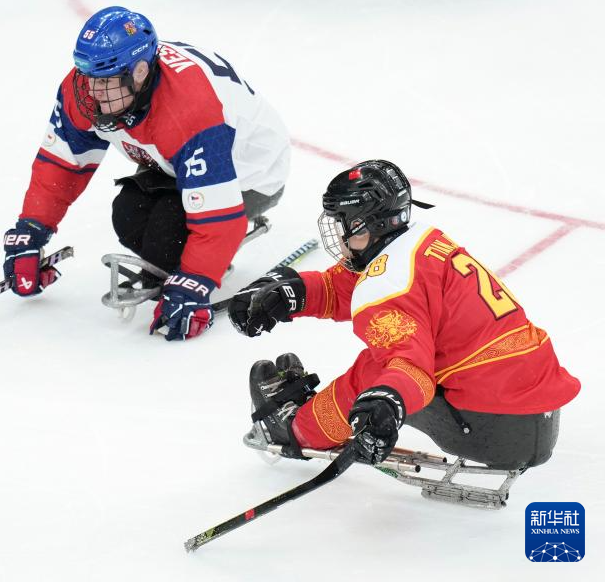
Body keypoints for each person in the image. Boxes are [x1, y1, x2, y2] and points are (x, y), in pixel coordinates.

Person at [228, 160, 580, 469]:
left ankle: (298, 429)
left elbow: (412, 369)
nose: (339, 236)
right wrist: (291, 293)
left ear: (364, 226)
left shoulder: (390, 282)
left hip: (492, 425)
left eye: (342, 225)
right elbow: (351, 284)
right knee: (400, 361)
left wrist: (384, 404)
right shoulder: (420, 244)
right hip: (534, 406)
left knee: (378, 369)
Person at [2, 6, 290, 342]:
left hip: (251, 171)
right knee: (128, 214)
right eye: (88, 77)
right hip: (173, 158)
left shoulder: (190, 109)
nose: (92, 92)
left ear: (139, 72)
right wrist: (32, 229)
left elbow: (218, 217)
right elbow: (63, 163)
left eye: (105, 82)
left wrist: (195, 281)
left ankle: (209, 260)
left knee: (166, 236)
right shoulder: (88, 88)